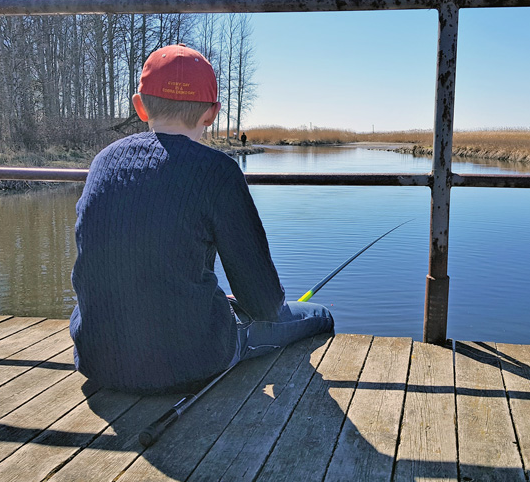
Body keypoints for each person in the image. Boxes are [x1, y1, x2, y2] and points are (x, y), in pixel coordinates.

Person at [70, 44, 333, 394]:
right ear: (211, 114)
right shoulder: (218, 171)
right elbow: (263, 302)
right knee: (317, 316)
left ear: (140, 106)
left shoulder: (103, 162)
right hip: (192, 360)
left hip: (97, 359)